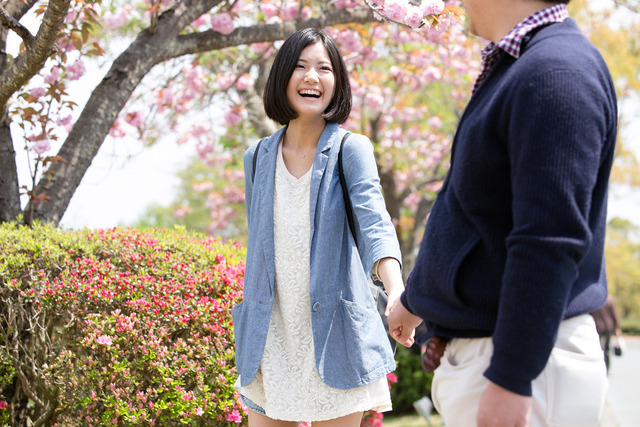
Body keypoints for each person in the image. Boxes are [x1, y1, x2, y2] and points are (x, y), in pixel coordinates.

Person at [387, 0, 618, 426]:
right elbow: (475, 212)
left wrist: (512, 378)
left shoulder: (556, 73)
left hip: (530, 370)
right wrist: (416, 298)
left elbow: (548, 240)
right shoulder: (523, 65)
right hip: (504, 361)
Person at [232, 28, 405, 427]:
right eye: (300, 67)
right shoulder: (256, 157)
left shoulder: (351, 148)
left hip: (334, 335)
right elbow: (260, 246)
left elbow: (375, 224)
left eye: (324, 68)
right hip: (271, 336)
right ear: (281, 79)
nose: (312, 77)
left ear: (337, 82)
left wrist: (395, 288)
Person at [590, 295, 622, 372]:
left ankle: (598, 366)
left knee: (597, 347)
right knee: (606, 349)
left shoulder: (595, 299)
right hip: (608, 327)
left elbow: (590, 313)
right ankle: (607, 367)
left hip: (597, 326)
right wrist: (617, 327)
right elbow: (614, 314)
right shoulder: (610, 300)